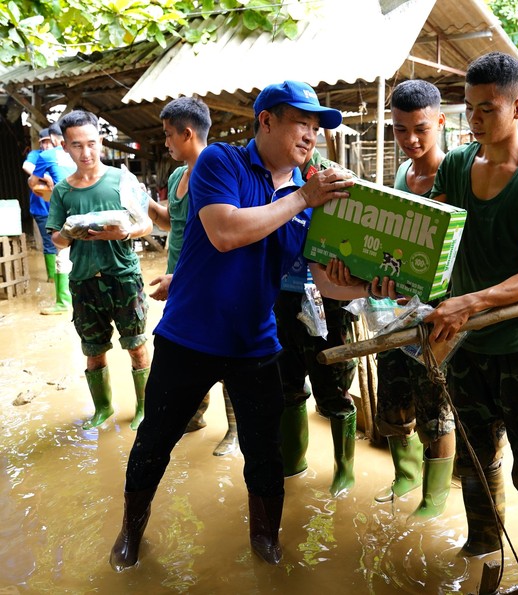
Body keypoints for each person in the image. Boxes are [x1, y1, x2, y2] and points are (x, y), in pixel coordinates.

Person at [109, 80, 391, 571]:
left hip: (255, 342)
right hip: (189, 336)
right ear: (266, 121)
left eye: (316, 127)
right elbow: (224, 232)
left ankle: (265, 539)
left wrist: (372, 289)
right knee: (155, 440)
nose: (311, 135)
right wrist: (303, 197)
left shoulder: (312, 198)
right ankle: (131, 530)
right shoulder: (222, 161)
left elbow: (325, 281)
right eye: (301, 122)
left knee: (265, 453)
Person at [423, 52, 518, 573]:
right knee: (474, 456)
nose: (475, 119)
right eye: (469, 108)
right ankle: (484, 543)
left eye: (487, 108)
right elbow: (433, 236)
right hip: (467, 347)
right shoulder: (459, 166)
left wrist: (471, 301)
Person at [371, 79, 456, 519]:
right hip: (397, 308)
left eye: (421, 129)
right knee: (394, 395)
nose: (411, 140)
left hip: (439, 313)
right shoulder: (404, 174)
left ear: (441, 121)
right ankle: (404, 474)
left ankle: (435, 496)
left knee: (436, 406)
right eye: (401, 130)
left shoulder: (454, 173)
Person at [45, 110, 153, 430]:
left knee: (136, 344)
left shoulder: (122, 179)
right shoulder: (63, 191)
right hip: (83, 281)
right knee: (93, 350)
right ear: (65, 147)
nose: (86, 153)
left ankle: (143, 409)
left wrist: (125, 233)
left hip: (122, 276)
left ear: (101, 142)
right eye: (77, 146)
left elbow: (145, 225)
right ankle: (103, 408)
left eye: (92, 144)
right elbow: (57, 241)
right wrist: (68, 231)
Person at [146, 96, 238, 456]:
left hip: (208, 280)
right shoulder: (176, 175)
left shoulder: (216, 171)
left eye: (169, 135)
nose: (166, 142)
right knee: (187, 347)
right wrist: (146, 205)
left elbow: (226, 232)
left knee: (223, 353)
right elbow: (173, 222)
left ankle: (235, 430)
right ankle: (195, 415)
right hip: (179, 279)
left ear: (187, 133)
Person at [275, 147, 360, 497]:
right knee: (286, 384)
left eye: (310, 129)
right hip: (280, 296)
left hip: (327, 299)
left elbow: (357, 240)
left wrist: (352, 275)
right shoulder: (268, 177)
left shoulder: (334, 177)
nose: (303, 137)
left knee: (335, 386)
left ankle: (345, 470)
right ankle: (293, 461)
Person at [28, 124, 76, 315]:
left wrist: (44, 181)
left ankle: (64, 302)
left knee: (61, 252)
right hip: (84, 205)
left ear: (55, 139)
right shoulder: (78, 154)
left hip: (63, 209)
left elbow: (32, 182)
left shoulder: (47, 156)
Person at [21, 128, 55, 282]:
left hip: (59, 207)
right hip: (41, 207)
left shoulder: (59, 156)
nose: (47, 145)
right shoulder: (35, 155)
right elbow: (26, 167)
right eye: (44, 142)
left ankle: (66, 275)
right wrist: (47, 177)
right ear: (40, 143)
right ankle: (52, 277)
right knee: (48, 242)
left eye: (49, 141)